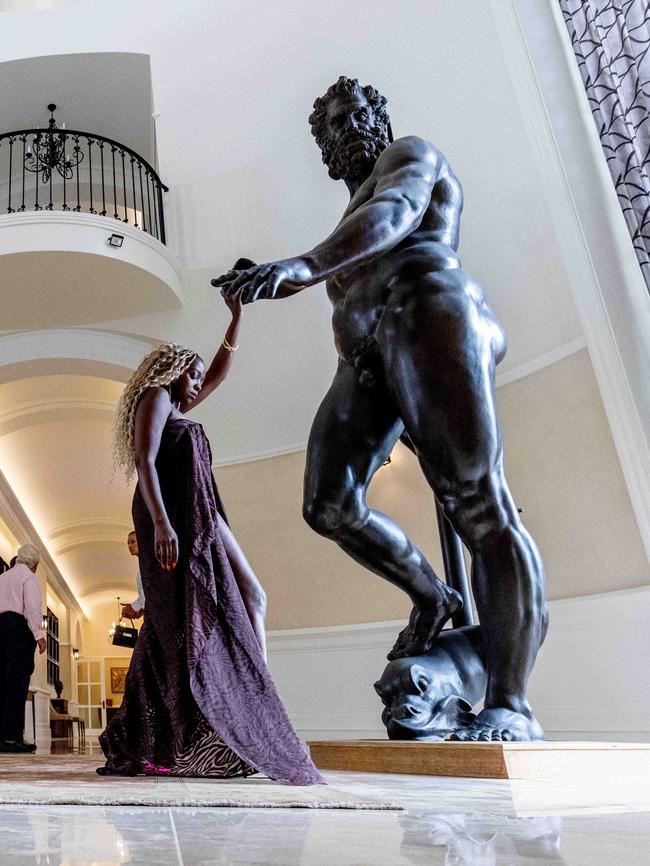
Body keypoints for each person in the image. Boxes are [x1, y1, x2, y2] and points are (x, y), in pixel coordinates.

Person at [213, 77, 548, 742]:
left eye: (349, 119)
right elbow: (357, 241)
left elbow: (394, 214)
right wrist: (293, 268)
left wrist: (304, 265)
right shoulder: (345, 224)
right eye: (329, 130)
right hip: (365, 357)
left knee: (478, 502)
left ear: (377, 118)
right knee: (329, 505)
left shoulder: (409, 158)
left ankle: (510, 701)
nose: (341, 135)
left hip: (428, 315)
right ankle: (434, 595)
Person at [98, 284, 323, 783]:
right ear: (174, 371)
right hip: (173, 518)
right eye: (192, 375)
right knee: (180, 622)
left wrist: (236, 320)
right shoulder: (156, 396)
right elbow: (144, 461)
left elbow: (219, 372)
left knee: (252, 596)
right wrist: (161, 523)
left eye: (200, 378)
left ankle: (250, 698)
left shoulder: (181, 408)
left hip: (202, 513)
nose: (199, 385)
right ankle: (239, 704)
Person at [0, 543, 46, 752]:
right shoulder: (28, 576)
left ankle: (3, 737)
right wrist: (39, 635)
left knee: (2, 684)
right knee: (17, 684)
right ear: (34, 563)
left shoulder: (3, 577)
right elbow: (32, 608)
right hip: (18, 630)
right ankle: (12, 738)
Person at [120, 531, 144, 621]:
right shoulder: (142, 566)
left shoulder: (150, 563)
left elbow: (152, 589)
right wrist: (142, 610)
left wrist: (134, 607)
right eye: (128, 543)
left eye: (133, 542)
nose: (130, 546)